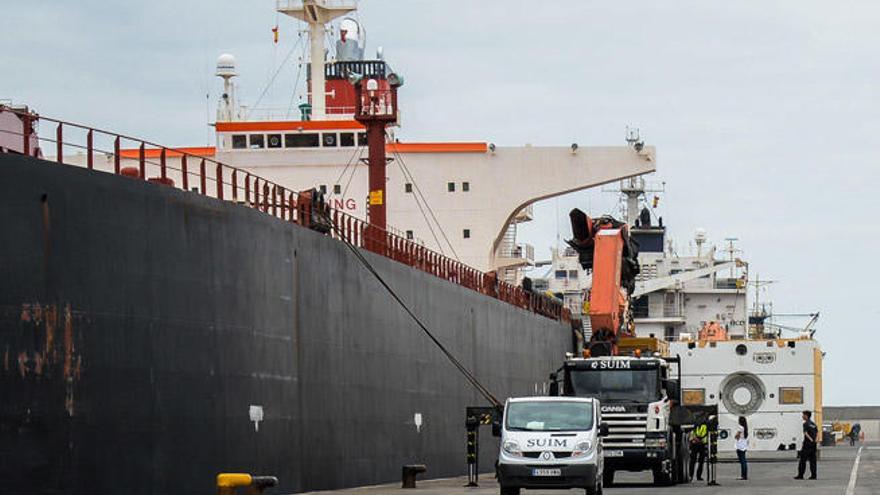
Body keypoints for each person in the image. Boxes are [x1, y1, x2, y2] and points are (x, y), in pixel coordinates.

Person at [795, 410, 818, 480]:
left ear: (806, 416)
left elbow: (805, 433)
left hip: (807, 444)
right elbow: (817, 433)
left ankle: (800, 475)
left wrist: (810, 440)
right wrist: (815, 441)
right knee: (813, 460)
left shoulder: (805, 424)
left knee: (803, 460)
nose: (802, 416)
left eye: (803, 415)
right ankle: (814, 475)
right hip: (814, 444)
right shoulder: (813, 424)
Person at [735, 416, 749, 480]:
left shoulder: (740, 427)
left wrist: (736, 436)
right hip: (744, 444)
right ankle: (744, 475)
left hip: (740, 444)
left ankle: (743, 475)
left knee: (742, 460)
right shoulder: (745, 427)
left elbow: (737, 436)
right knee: (744, 460)